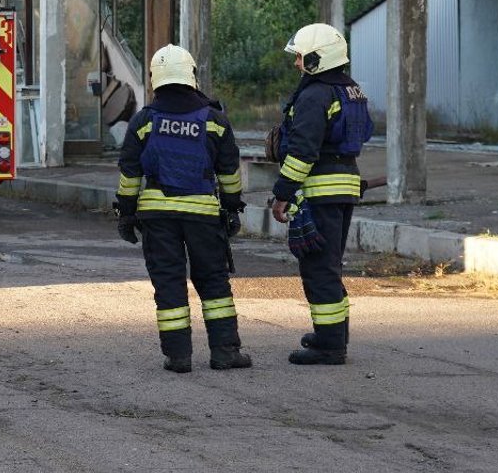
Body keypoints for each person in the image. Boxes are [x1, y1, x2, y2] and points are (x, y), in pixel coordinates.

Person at [114, 44, 251, 373]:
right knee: (213, 282)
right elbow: (229, 172)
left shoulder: (144, 121)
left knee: (169, 281)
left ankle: (178, 356)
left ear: (154, 79)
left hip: (157, 216)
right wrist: (232, 209)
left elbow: (130, 173)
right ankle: (224, 352)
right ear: (191, 75)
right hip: (203, 214)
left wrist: (126, 214)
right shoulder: (215, 120)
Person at [269, 23, 373, 366]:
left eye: (301, 57)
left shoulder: (315, 95)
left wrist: (282, 194)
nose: (297, 64)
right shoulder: (350, 90)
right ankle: (331, 334)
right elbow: (364, 133)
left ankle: (330, 346)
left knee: (319, 268)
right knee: (330, 265)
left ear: (317, 59)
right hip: (345, 186)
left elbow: (303, 151)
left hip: (320, 189)